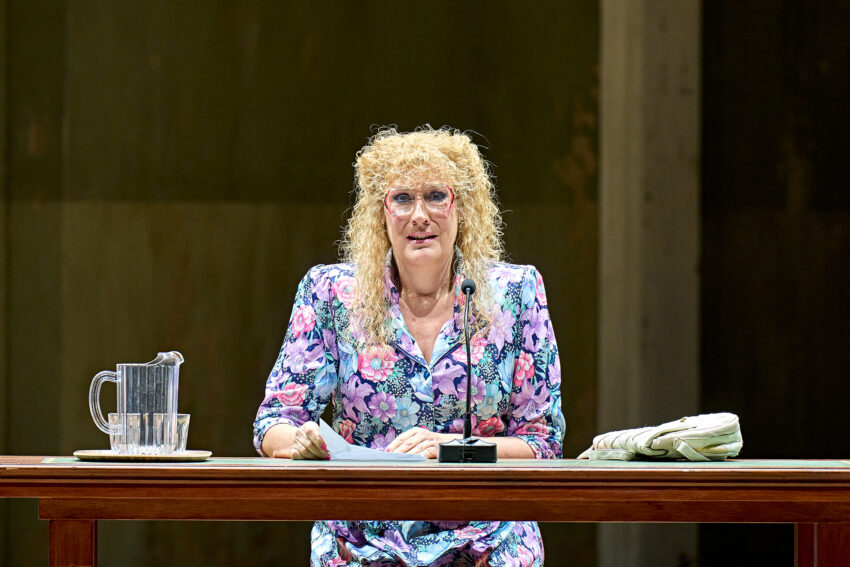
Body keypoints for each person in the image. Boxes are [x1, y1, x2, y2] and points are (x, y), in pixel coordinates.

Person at [253, 126, 564, 566]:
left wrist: (451, 450)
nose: (420, 215)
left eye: (437, 196)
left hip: (488, 540)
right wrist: (301, 441)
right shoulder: (330, 293)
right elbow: (273, 423)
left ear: (464, 209)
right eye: (402, 199)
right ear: (380, 214)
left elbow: (543, 442)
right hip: (362, 540)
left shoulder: (516, 293)